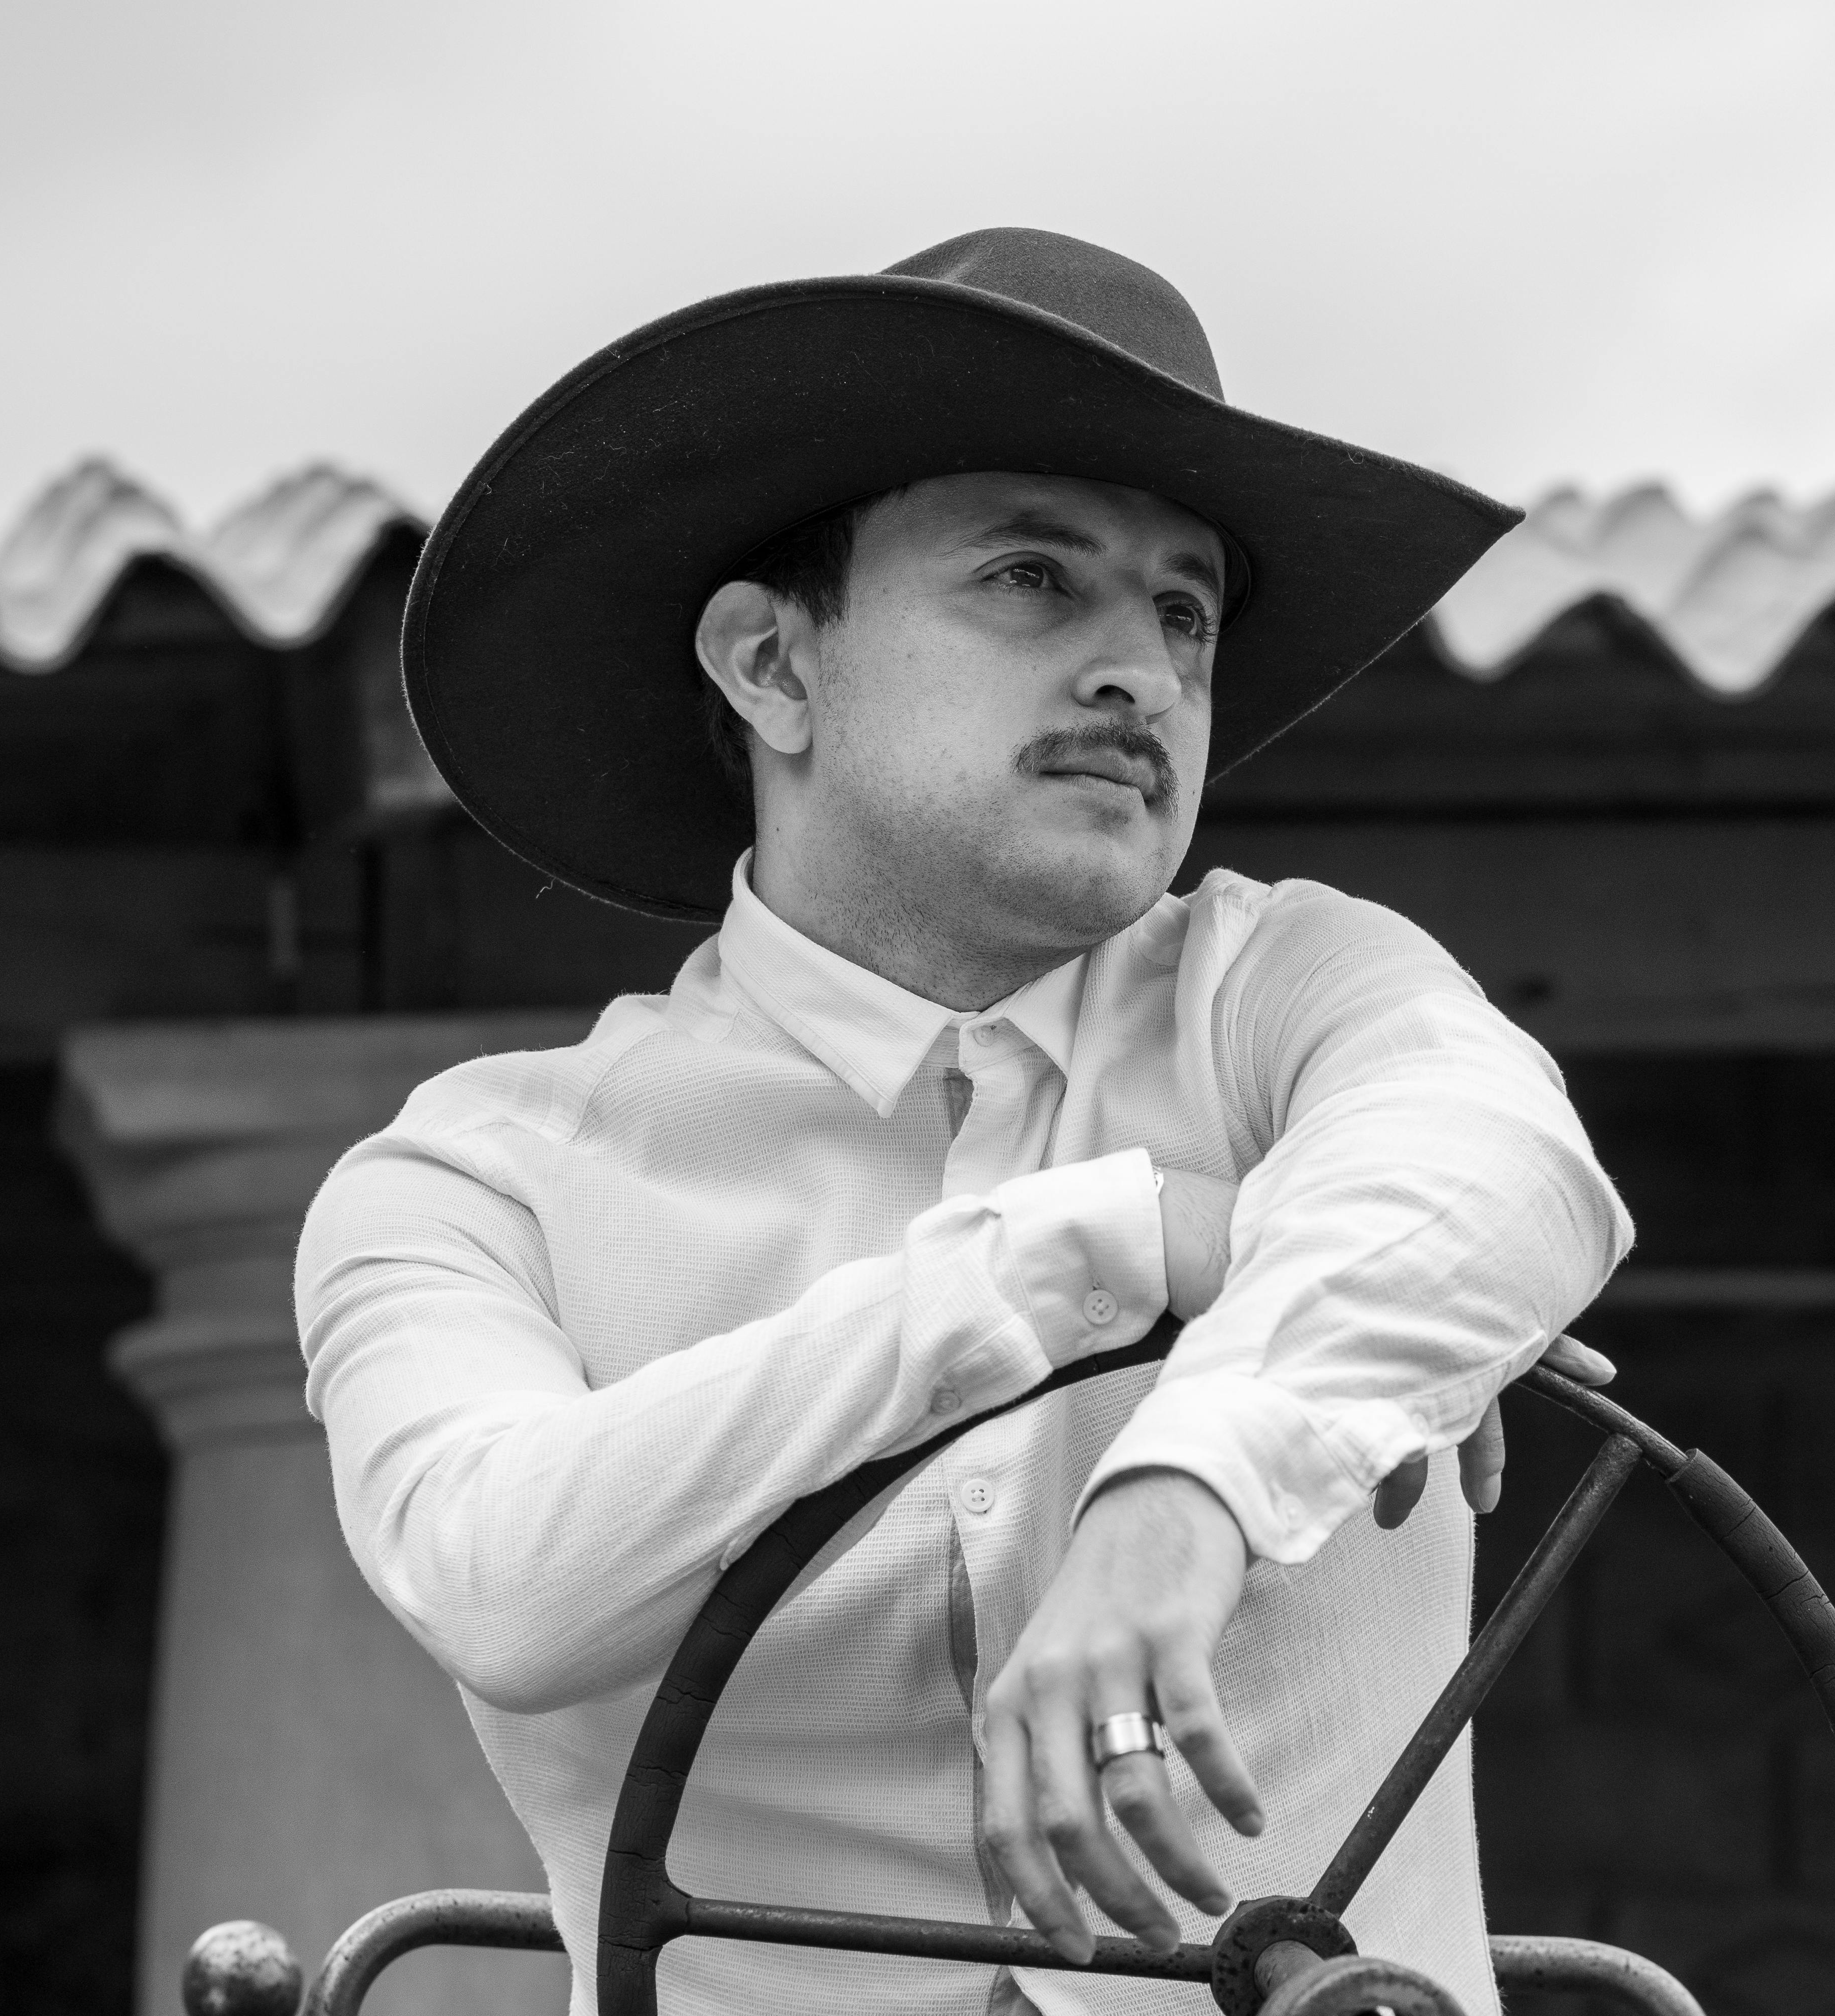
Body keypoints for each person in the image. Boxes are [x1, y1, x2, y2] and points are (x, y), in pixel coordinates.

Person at [295, 227, 1632, 2016]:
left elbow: (1504, 1166)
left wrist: (1191, 1488)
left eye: (1184, 614)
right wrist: (1105, 1245)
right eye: (1029, 578)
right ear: (772, 667)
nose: (1141, 676)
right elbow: (500, 1577)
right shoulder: (475, 1182)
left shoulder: (1293, 991)